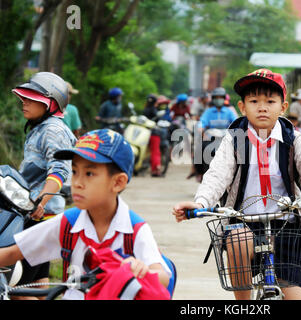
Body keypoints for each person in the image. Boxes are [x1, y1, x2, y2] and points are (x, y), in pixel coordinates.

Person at [172, 68, 301, 300]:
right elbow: (217, 175)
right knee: (237, 238)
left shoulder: (292, 137)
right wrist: (200, 202)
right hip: (245, 221)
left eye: (270, 101)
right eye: (254, 101)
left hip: (287, 225)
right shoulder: (234, 138)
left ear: (283, 107)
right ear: (242, 107)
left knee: (298, 296)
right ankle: (244, 303)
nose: (262, 107)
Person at [0, 129, 172, 300]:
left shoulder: (134, 229)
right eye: (75, 172)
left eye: (89, 173)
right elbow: (11, 254)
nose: (77, 182)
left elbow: (163, 276)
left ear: (118, 182)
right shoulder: (68, 223)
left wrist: (142, 270)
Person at [11, 72, 77, 297]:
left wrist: (41, 200)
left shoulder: (51, 130)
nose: (24, 103)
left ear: (50, 103)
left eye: (32, 99)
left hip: (39, 214)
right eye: (24, 98)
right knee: (39, 282)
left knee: (20, 288)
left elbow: (59, 170)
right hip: (39, 214)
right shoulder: (39, 127)